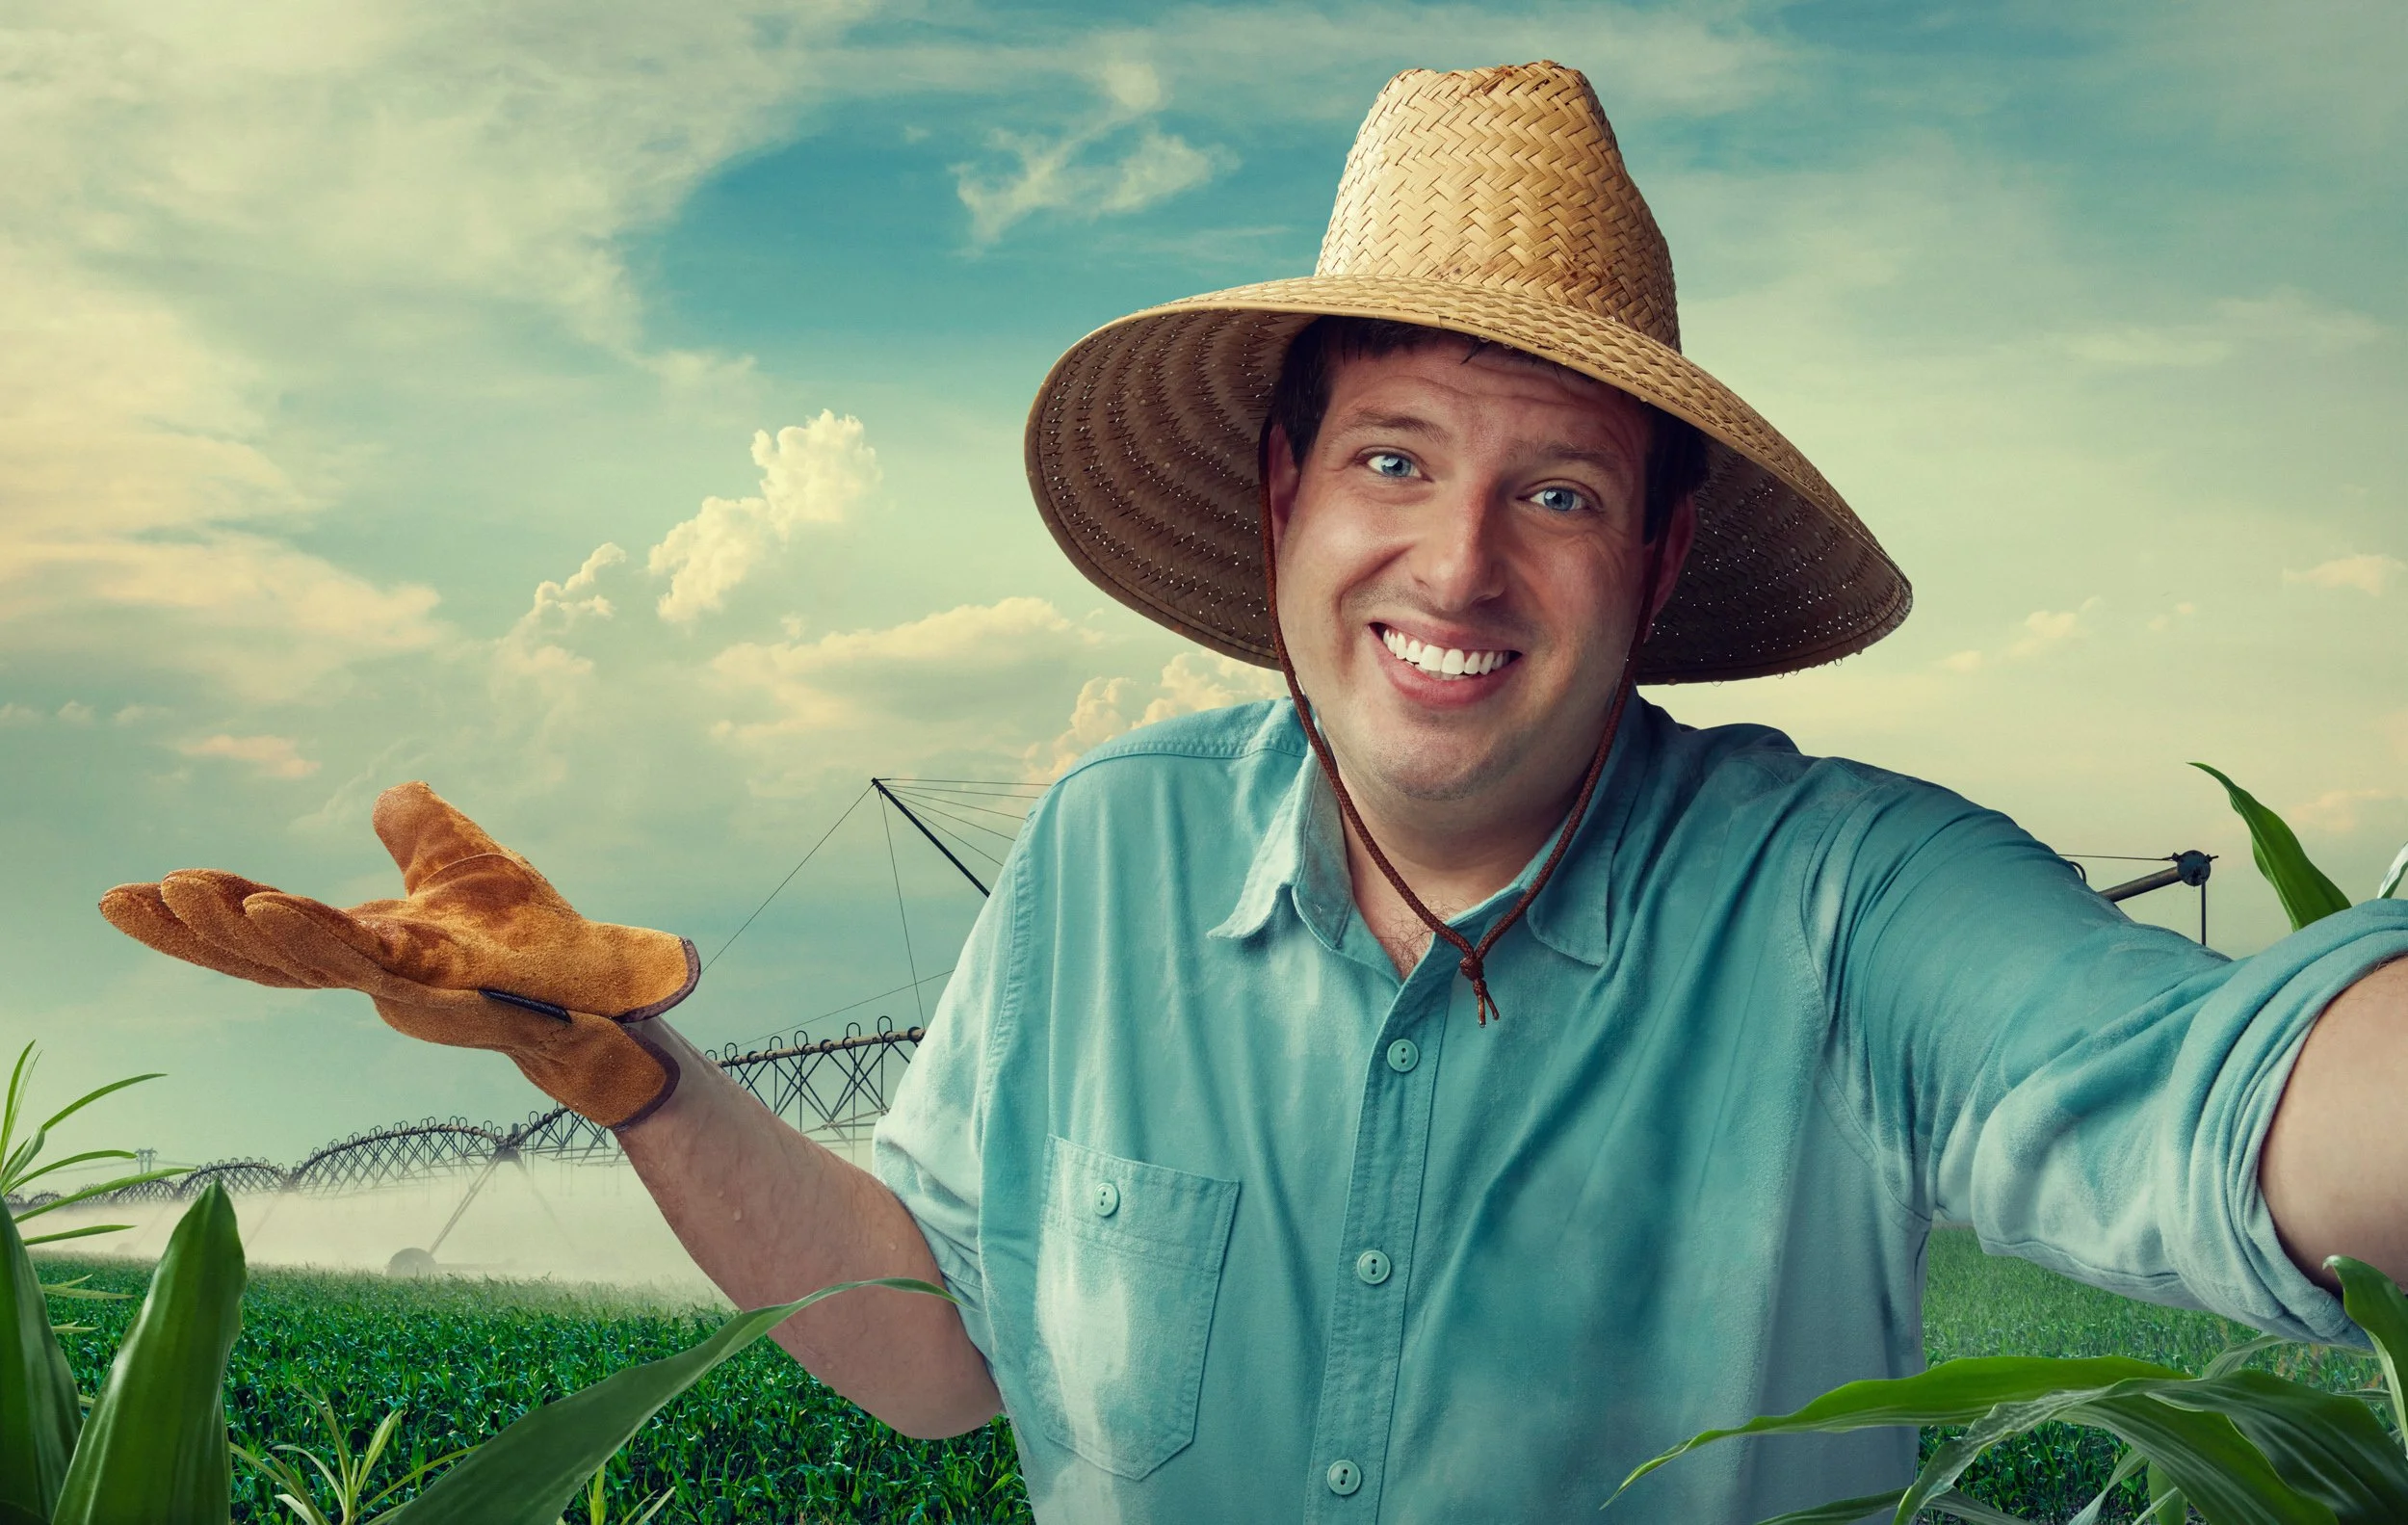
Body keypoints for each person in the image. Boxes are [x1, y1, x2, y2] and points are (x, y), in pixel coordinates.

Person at [101, 62, 2408, 1521]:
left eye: (1561, 494)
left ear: (1663, 555)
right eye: (1392, 460)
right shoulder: (1104, 855)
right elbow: (934, 1346)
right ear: (1287, 495)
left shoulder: (1840, 898)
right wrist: (623, 1071)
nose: (1456, 564)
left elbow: (2229, 1087)